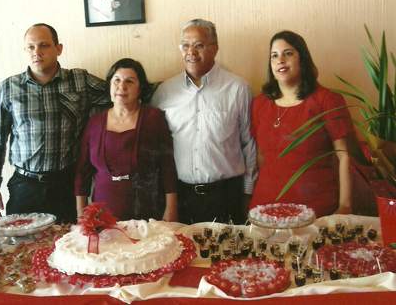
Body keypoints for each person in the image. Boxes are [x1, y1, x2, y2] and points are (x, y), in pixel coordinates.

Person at [0, 23, 109, 224]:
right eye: (30, 47)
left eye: (44, 45)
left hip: (66, 185)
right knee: (22, 249)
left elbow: (120, 92)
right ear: (25, 51)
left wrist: (166, 90)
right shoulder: (10, 87)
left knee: (66, 246)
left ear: (58, 49)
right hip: (25, 186)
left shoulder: (79, 81)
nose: (37, 52)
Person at [149, 19, 257, 225]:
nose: (191, 51)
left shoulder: (238, 89)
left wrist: (247, 194)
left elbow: (249, 144)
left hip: (227, 194)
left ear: (215, 49)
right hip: (181, 197)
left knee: (229, 255)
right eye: (186, 45)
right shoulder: (165, 91)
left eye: (199, 45)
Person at [250, 31, 354, 218]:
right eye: (274, 56)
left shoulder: (326, 100)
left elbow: (345, 156)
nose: (280, 60)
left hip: (314, 210)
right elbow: (260, 156)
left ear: (302, 60)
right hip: (265, 210)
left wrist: (345, 207)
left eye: (288, 53)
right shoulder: (260, 104)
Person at [75, 58, 178, 222]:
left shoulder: (154, 118)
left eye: (130, 81)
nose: (122, 86)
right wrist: (82, 215)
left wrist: (171, 210)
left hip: (147, 213)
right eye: (116, 80)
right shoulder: (94, 122)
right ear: (109, 86)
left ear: (140, 88)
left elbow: (168, 167)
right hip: (102, 217)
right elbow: (82, 173)